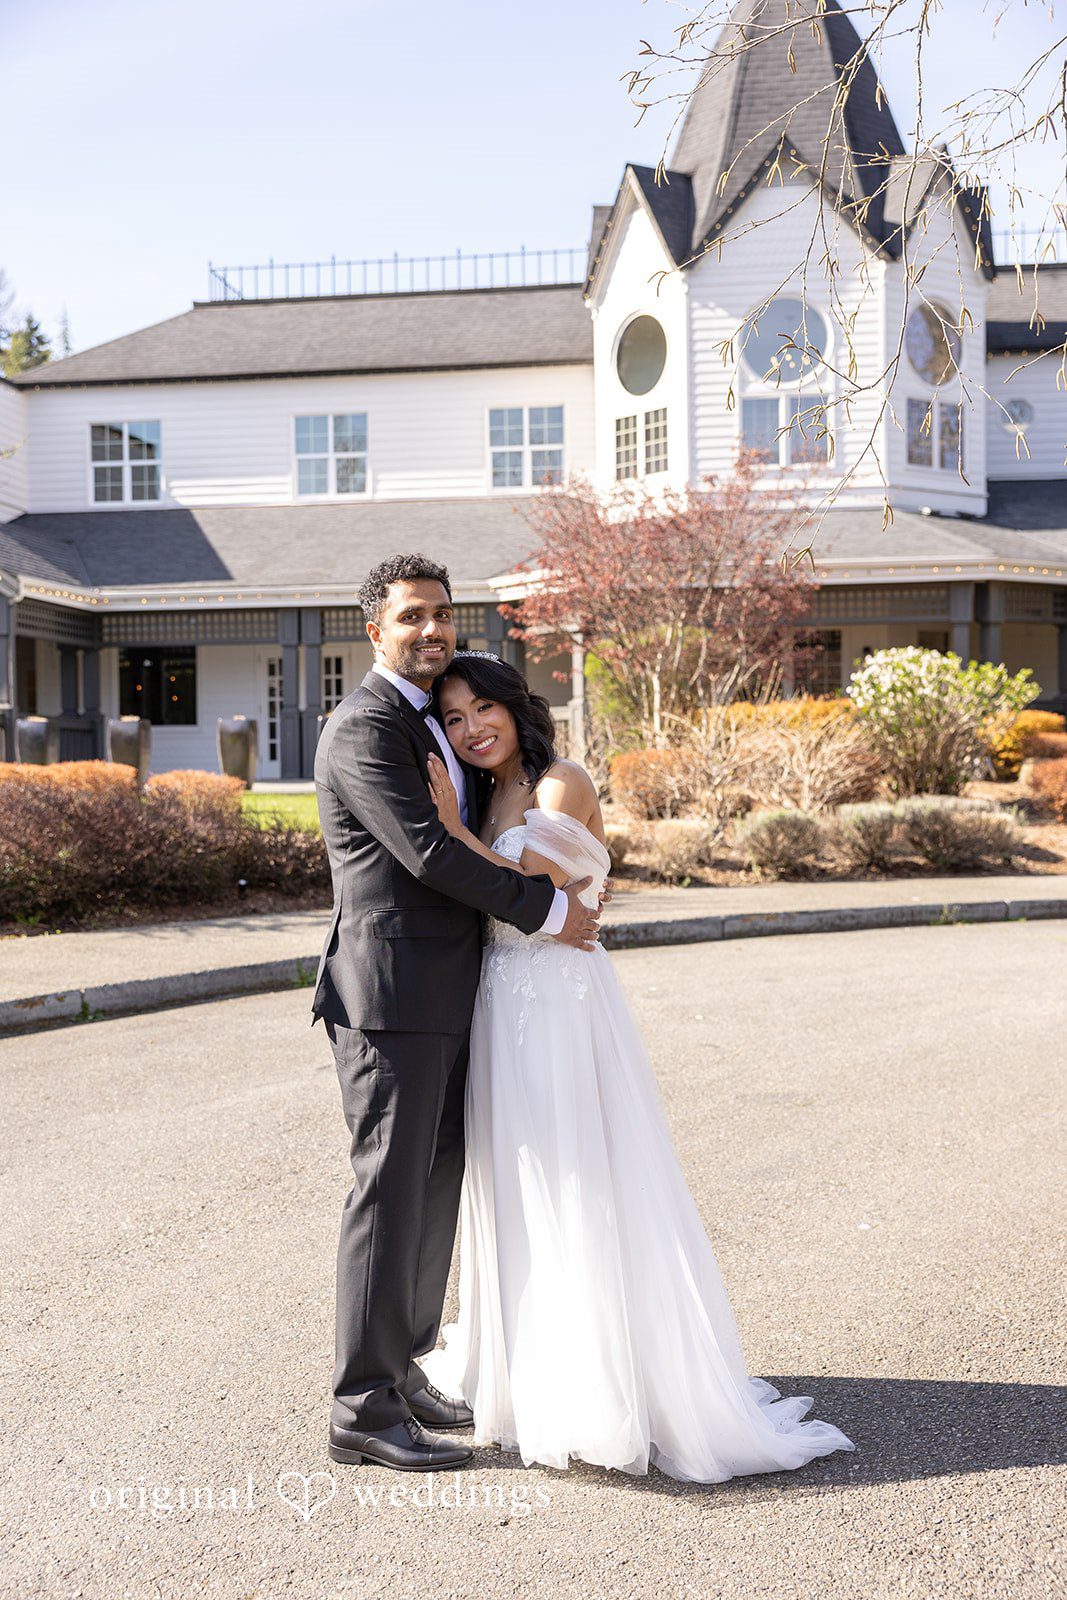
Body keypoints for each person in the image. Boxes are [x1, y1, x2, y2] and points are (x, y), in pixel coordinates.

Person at [421, 651, 858, 1483]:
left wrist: (446, 834)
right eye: (453, 718)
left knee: (578, 1176)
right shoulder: (483, 795)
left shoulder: (561, 782)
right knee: (515, 1183)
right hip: (500, 1003)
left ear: (516, 709)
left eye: (484, 709)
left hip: (556, 1008)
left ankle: (603, 1386)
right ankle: (524, 1372)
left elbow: (522, 884)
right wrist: (459, 828)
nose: (472, 728)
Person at [312, 554, 603, 1473]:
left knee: (433, 1188)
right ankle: (361, 1405)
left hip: (450, 993)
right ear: (375, 629)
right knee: (388, 1194)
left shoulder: (428, 719)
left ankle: (401, 1371)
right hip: (390, 997)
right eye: (411, 618)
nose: (430, 630)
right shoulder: (364, 727)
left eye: (441, 614)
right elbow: (431, 854)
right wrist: (554, 912)